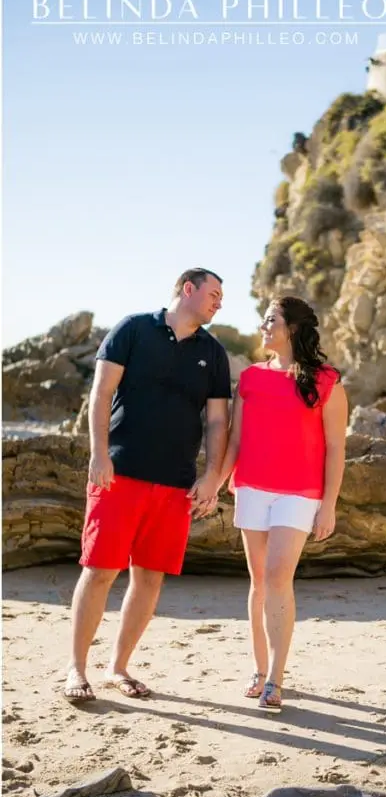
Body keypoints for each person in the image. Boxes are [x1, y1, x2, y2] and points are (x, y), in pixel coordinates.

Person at [63, 268, 231, 703]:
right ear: (188, 289)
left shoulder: (213, 353)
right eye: (214, 293)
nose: (219, 302)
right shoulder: (133, 329)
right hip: (119, 474)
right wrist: (99, 454)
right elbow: (101, 394)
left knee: (150, 578)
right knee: (99, 570)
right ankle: (76, 669)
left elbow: (217, 421)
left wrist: (211, 476)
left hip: (175, 485)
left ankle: (118, 667)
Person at [218, 296, 348, 713]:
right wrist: (214, 484)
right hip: (252, 488)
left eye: (270, 319)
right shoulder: (251, 378)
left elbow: (336, 448)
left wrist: (329, 505)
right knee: (259, 581)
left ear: (291, 328)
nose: (263, 326)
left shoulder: (326, 381)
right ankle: (259, 671)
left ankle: (276, 677)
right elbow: (235, 441)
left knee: (277, 577)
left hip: (299, 493)